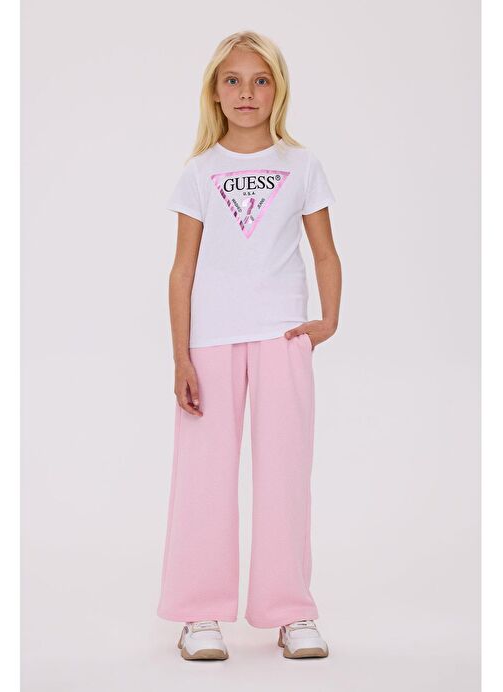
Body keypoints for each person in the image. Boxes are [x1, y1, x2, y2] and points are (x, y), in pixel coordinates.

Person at [157, 30, 342, 661]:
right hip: (210, 341)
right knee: (204, 478)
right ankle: (199, 612)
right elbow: (182, 269)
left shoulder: (301, 165)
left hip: (282, 336)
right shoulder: (199, 172)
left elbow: (324, 251)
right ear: (215, 91)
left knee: (284, 472)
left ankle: (291, 610)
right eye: (233, 80)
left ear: (278, 89)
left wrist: (328, 320)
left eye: (260, 80)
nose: (246, 92)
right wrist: (181, 355)